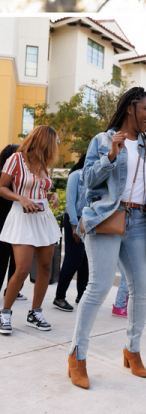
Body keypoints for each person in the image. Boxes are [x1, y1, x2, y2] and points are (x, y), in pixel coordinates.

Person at [67, 87, 146, 389]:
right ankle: (77, 356)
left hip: (140, 222)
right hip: (108, 217)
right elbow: (87, 180)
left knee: (141, 290)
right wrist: (111, 155)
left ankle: (132, 350)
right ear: (131, 107)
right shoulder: (103, 140)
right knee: (99, 287)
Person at [0, 127, 61, 335]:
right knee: (23, 269)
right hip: (22, 217)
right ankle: (5, 313)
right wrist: (20, 198)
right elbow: (2, 187)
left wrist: (52, 196)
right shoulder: (16, 159)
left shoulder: (43, 163)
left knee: (45, 268)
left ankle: (35, 313)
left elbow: (41, 189)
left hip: (43, 218)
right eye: (53, 144)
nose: (55, 149)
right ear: (43, 141)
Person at [53, 154, 90, 312]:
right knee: (73, 259)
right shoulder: (76, 175)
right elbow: (70, 202)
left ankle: (81, 296)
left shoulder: (95, 177)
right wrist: (75, 226)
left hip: (89, 222)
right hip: (75, 220)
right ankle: (59, 297)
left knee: (85, 261)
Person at [0, 144, 25, 304]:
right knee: (4, 260)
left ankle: (12, 290)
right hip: (4, 223)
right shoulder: (5, 178)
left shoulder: (20, 178)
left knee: (17, 261)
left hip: (17, 223)